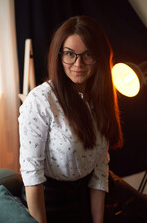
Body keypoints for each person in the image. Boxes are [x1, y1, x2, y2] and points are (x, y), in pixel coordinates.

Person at [18, 15, 123, 223]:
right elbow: (32, 174)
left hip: (85, 198)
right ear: (59, 55)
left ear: (99, 56)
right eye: (70, 54)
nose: (78, 64)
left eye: (87, 54)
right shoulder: (40, 100)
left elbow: (100, 169)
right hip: (49, 203)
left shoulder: (101, 98)